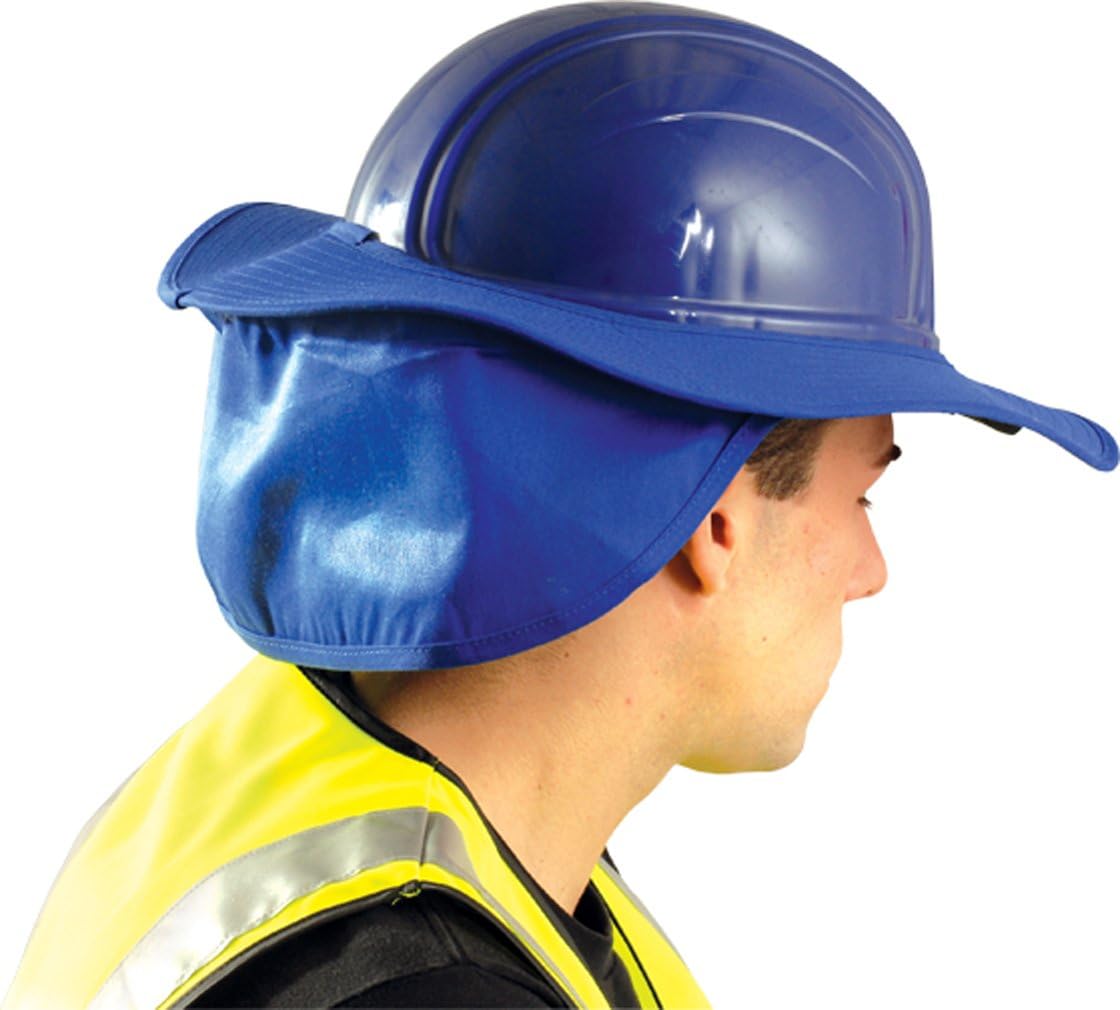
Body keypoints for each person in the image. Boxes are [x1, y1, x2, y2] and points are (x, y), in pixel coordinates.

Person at [3, 5, 1116, 1009]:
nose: (872, 570)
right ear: (714, 517)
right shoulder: (420, 983)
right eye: (864, 492)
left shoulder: (301, 786)